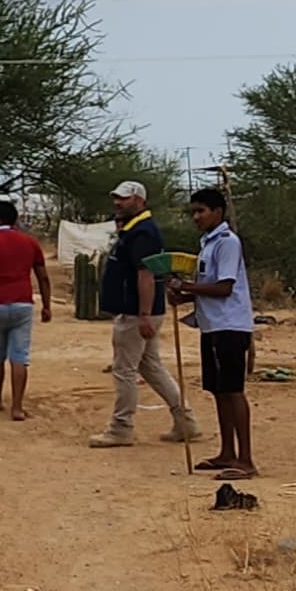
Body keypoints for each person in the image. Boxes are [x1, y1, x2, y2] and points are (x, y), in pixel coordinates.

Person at [91, 180, 198, 449]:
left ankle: (120, 428)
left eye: (124, 198)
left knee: (124, 369)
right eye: (116, 197)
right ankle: (185, 421)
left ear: (139, 201)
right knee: (150, 367)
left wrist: (143, 314)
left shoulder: (142, 233)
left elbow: (146, 275)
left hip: (135, 312)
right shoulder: (134, 230)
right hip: (138, 311)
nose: (118, 202)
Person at [171, 188, 258, 476]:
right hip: (212, 326)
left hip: (229, 326)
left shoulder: (227, 242)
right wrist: (183, 296)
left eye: (201, 211)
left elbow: (224, 287)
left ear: (217, 212)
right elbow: (208, 288)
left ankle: (245, 460)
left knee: (233, 391)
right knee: (219, 390)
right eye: (194, 211)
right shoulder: (207, 244)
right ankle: (227, 452)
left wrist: (186, 287)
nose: (196, 217)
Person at [0, 198, 51, 418]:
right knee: (19, 356)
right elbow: (43, 276)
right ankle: (17, 407)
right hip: (22, 304)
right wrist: (47, 306)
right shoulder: (30, 242)